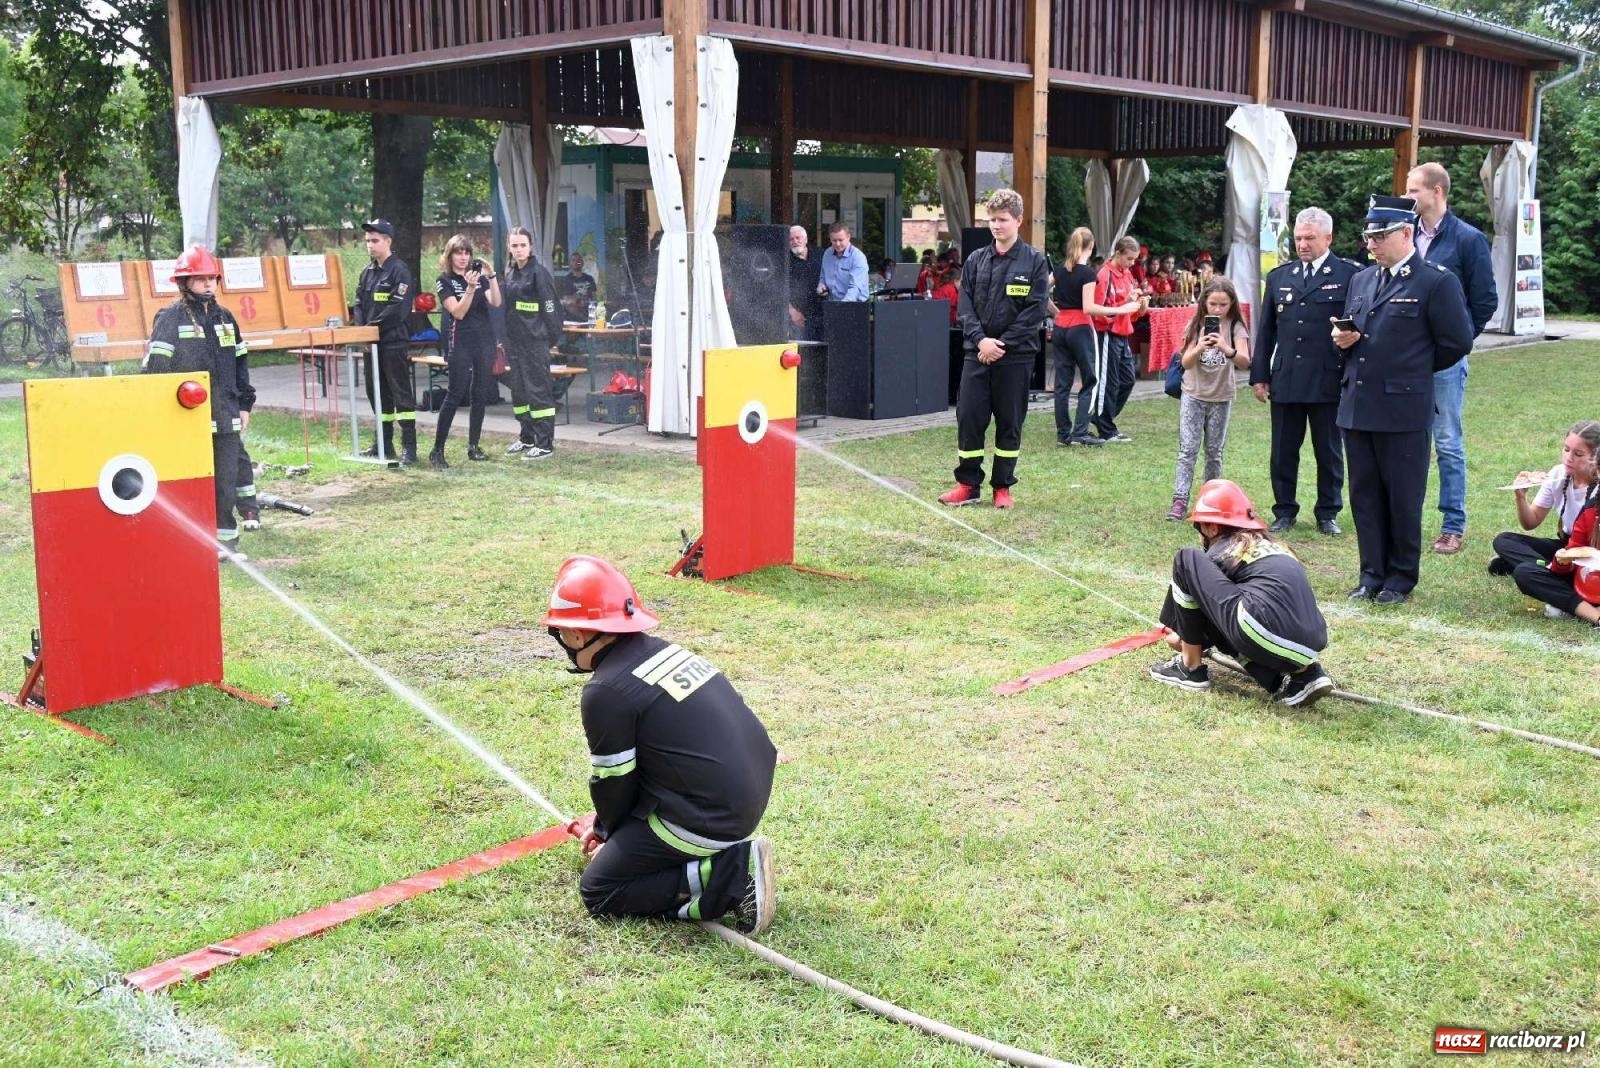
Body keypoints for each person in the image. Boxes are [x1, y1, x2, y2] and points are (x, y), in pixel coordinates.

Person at [545, 554, 778, 935]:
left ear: (574, 633)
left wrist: (609, 834)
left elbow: (614, 782)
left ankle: (732, 875)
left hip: (709, 815)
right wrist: (608, 828)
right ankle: (721, 859)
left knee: (599, 889)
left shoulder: (605, 690)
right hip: (746, 791)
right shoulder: (663, 651)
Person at [1332, 195, 1473, 606]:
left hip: (1403, 407)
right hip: (1358, 405)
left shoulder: (1435, 281)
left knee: (1402, 495)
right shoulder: (1362, 280)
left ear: (1405, 233)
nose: (1370, 244)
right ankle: (1370, 572)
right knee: (1365, 495)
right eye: (1367, 237)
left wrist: (1411, 369)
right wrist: (1344, 341)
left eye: (1378, 236)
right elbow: (1355, 335)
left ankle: (1400, 577)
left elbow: (1456, 342)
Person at [1148, 479, 1335, 705]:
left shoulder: (1227, 547)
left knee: (1186, 559)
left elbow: (1194, 582)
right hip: (1312, 640)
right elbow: (1218, 607)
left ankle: (1189, 668)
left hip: (1262, 629)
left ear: (1211, 527)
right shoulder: (1273, 546)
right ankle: (1305, 675)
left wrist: (1186, 638)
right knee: (1244, 611)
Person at [938, 189, 1051, 510]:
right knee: (969, 418)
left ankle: (1002, 487)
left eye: (1002, 220)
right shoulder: (976, 260)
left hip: (1015, 358)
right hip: (977, 354)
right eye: (991, 219)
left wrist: (1001, 344)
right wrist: (982, 341)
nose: (996, 226)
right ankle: (967, 484)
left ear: (1019, 220)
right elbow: (965, 306)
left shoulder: (1035, 261)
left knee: (1009, 422)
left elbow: (1035, 310)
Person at [1250, 206, 1358, 536]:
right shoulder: (1281, 276)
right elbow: (1266, 330)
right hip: (1287, 377)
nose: (1302, 244)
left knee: (1328, 450)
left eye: (1309, 238)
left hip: (1328, 376)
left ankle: (1328, 512)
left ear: (1328, 237)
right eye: (1298, 238)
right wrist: (1259, 375)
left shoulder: (1350, 275)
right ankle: (1284, 510)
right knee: (1283, 449)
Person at [1406, 162, 1497, 556]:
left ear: (1437, 192)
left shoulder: (1468, 239)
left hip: (1445, 362)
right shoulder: (1404, 235)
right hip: (1407, 359)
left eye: (1413, 191)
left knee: (1447, 442)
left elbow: (1485, 300)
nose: (1408, 198)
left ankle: (1451, 525)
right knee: (1408, 440)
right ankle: (1405, 518)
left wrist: (1457, 343)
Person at [143, 246, 254, 559]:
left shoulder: (225, 318)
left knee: (226, 479)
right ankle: (190, 540)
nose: (208, 284)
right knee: (191, 480)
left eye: (212, 278)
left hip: (227, 413)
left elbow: (241, 363)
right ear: (184, 282)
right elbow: (156, 370)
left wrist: (245, 404)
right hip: (187, 418)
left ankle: (226, 544)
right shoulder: (170, 318)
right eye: (200, 278)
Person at [1167, 278, 1251, 521]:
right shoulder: (1196, 325)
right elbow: (1186, 362)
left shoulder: (1235, 326)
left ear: (1231, 304)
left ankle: (1210, 500)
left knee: (1214, 452)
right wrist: (1199, 346)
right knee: (1188, 449)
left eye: (1223, 304)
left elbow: (1245, 361)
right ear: (1204, 302)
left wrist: (1226, 347)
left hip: (1221, 396)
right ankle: (1180, 499)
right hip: (1193, 394)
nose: (1217, 309)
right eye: (1212, 303)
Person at [1050, 226, 1141, 448]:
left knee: (1062, 384)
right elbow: (1090, 307)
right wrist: (1122, 309)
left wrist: (1056, 312)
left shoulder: (1060, 270)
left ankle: (1063, 434)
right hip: (1081, 327)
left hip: (1061, 326)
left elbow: (1040, 291)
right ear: (1090, 247)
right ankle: (1080, 432)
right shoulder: (1088, 274)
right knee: (1091, 380)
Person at [1488, 421, 1600, 577]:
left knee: (1524, 573)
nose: (1568, 457)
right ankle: (1549, 571)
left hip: (1592, 553)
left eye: (1578, 454)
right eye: (1566, 450)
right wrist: (1520, 496)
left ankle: (1535, 569)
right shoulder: (1557, 474)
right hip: (1566, 547)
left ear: (1596, 458)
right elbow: (1530, 522)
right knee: (1503, 540)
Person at [429, 235, 503, 468]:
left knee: (479, 393)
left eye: (467, 253)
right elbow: (458, 312)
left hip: (484, 340)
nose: (463, 258)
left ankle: (474, 445)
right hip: (460, 341)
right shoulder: (445, 281)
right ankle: (437, 450)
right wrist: (470, 289)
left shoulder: (478, 277)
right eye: (458, 253)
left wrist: (490, 276)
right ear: (449, 256)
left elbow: (496, 301)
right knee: (455, 394)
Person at [354, 219, 419, 464]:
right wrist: (361, 330)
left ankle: (409, 448)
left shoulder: (399, 271)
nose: (370, 245)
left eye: (375, 241)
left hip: (392, 342)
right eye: (368, 241)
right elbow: (359, 302)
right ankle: (383, 443)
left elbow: (398, 309)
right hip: (371, 344)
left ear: (388, 241)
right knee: (377, 394)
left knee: (400, 393)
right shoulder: (367, 272)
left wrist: (372, 328)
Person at [501, 226, 563, 459]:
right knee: (519, 392)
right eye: (514, 246)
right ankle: (526, 438)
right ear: (509, 247)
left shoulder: (539, 273)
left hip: (535, 343)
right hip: (515, 344)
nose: (518, 250)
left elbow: (551, 309)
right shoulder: (511, 273)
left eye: (522, 245)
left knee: (538, 392)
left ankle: (545, 443)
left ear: (530, 247)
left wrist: (548, 339)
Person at [1511, 485, 1600, 628]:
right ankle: (1594, 615)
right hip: (1585, 582)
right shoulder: (1590, 509)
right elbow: (1573, 551)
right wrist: (1562, 561)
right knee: (1525, 572)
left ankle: (1576, 611)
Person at [1089, 236, 1148, 443]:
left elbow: (1128, 311)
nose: (1132, 263)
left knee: (1128, 380)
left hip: (1123, 334)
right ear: (1118, 253)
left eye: (1134, 259)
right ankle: (1106, 428)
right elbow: (1100, 311)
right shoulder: (1105, 275)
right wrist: (1127, 302)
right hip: (1107, 334)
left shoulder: (1127, 273)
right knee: (1109, 383)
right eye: (1129, 259)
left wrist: (1139, 308)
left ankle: (1102, 418)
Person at [785, 224, 823, 342]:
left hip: (823, 315)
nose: (795, 241)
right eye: (791, 239)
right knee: (804, 353)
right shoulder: (784, 261)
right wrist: (792, 312)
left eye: (798, 238)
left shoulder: (821, 255)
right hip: (799, 319)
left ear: (805, 240)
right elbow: (778, 289)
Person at [818, 222, 868, 303]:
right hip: (832, 304)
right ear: (830, 239)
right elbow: (823, 277)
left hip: (855, 305)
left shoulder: (858, 257)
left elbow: (855, 288)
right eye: (834, 240)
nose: (838, 244)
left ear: (848, 237)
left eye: (841, 240)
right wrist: (821, 286)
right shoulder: (827, 254)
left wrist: (842, 307)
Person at [558, 252, 598, 321]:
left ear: (582, 263)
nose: (576, 262)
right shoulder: (566, 280)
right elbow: (567, 302)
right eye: (573, 260)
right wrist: (578, 298)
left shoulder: (589, 279)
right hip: (573, 318)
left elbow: (594, 299)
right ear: (570, 263)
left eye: (579, 260)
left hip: (590, 313)